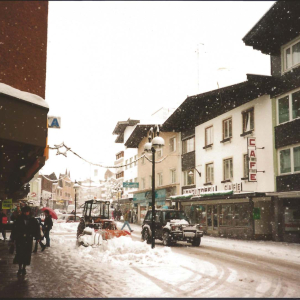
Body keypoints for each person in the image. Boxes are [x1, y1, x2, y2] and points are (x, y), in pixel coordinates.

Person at [10, 206, 41, 276]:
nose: (26, 213)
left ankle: (24, 268)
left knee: (27, 254)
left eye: (27, 212)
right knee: (20, 253)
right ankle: (20, 268)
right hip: (20, 240)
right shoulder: (18, 219)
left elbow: (37, 229)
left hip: (28, 239)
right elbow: (14, 230)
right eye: (25, 212)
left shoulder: (33, 220)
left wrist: (37, 237)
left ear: (29, 212)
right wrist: (12, 239)